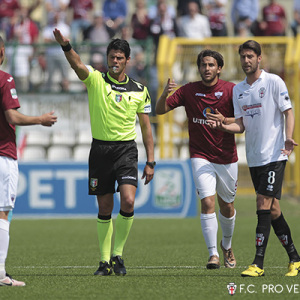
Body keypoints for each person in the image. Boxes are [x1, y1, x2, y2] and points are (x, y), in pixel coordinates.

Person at [53, 28, 155, 276]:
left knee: (129, 200)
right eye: (112, 57)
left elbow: (146, 128)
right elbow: (78, 65)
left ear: (128, 60)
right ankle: (104, 261)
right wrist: (66, 46)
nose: (116, 61)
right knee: (105, 208)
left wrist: (151, 160)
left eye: (120, 58)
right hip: (100, 150)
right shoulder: (96, 80)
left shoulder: (140, 90)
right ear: (107, 58)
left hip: (127, 150)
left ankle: (118, 254)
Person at [207, 40, 300, 277]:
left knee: (262, 204)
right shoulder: (239, 90)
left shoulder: (273, 82)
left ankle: (258, 264)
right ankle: (295, 259)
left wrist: (288, 138)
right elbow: (241, 125)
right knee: (274, 210)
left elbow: (288, 111)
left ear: (259, 58)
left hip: (275, 154)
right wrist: (222, 125)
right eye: (243, 57)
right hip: (255, 157)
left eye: (250, 56)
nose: (246, 61)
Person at [156, 49, 238, 269]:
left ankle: (226, 245)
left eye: (211, 65)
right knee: (207, 202)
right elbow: (159, 110)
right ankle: (213, 255)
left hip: (227, 156)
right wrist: (164, 94)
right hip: (200, 156)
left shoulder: (231, 90)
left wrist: (223, 122)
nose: (207, 68)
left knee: (227, 207)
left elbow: (242, 122)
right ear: (199, 67)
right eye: (203, 65)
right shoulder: (189, 90)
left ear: (219, 68)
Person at [0, 35, 57, 286]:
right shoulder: (5, 78)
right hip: (3, 154)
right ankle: (0, 273)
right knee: (2, 213)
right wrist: (40, 119)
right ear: (2, 50)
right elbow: (11, 116)